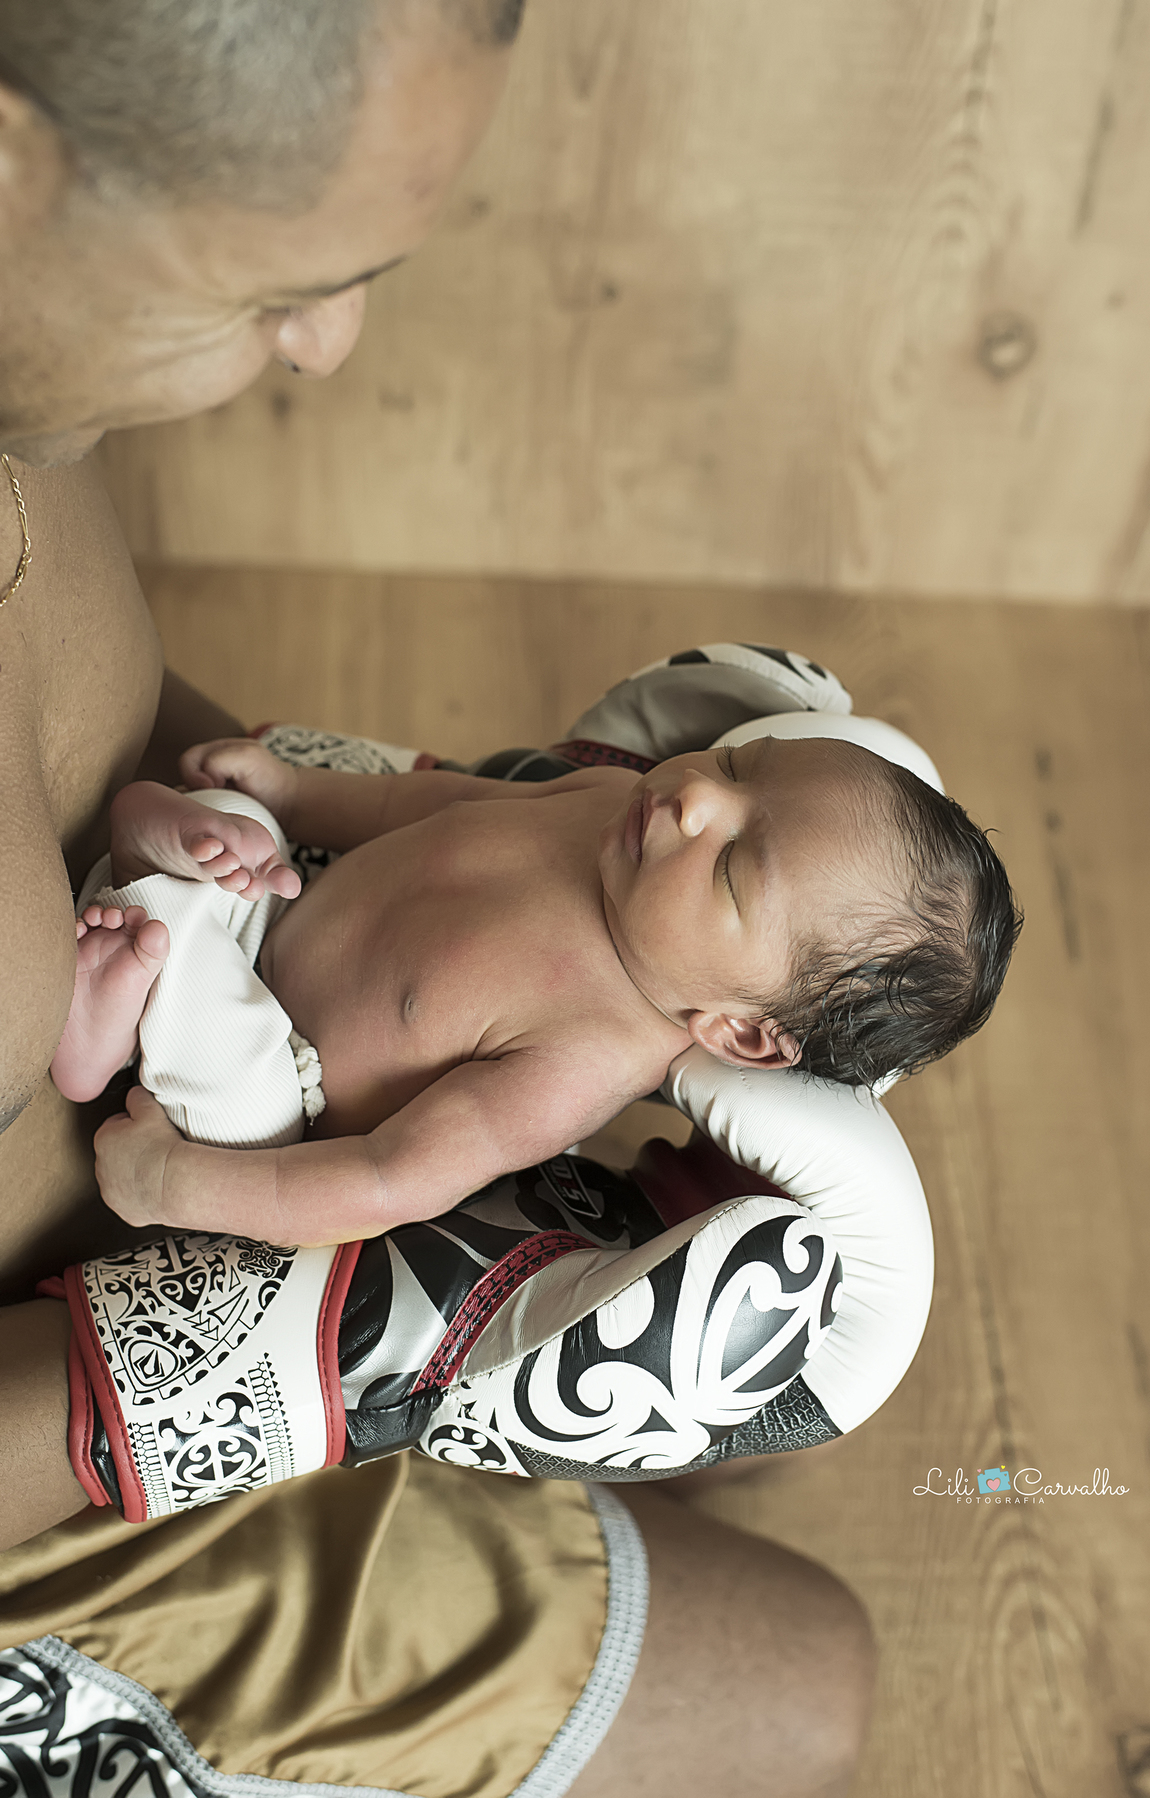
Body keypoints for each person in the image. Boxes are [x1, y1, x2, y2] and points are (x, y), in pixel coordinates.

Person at [0, 4, 879, 1794]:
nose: (330, 348)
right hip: (53, 1433)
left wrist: (398, 848)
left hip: (171, 1228)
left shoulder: (33, 390)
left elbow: (94, 731)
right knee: (811, 1681)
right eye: (279, 289)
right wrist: (318, 1349)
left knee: (716, 1412)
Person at [53, 733, 1017, 1245]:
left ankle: (113, 1002)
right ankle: (150, 926)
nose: (696, 799)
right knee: (238, 834)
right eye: (737, 766)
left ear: (742, 1033)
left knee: (231, 1071)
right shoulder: (612, 810)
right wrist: (296, 794)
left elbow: (387, 1179)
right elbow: (429, 802)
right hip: (277, 919)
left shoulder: (584, 1056)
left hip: (275, 1075)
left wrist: (174, 1184)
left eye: (732, 869)